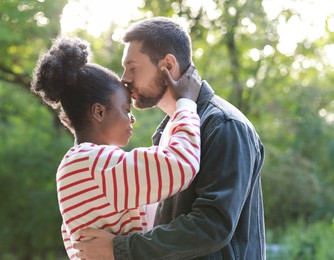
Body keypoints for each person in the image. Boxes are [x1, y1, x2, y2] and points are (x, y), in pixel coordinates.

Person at [74, 17, 266, 259]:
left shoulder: (223, 125)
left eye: (133, 68)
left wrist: (119, 249)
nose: (124, 79)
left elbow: (212, 225)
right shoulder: (168, 132)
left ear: (167, 64)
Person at [30, 36, 203, 259]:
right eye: (125, 109)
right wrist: (186, 104)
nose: (132, 119)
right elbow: (180, 164)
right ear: (99, 112)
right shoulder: (92, 164)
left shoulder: (77, 166)